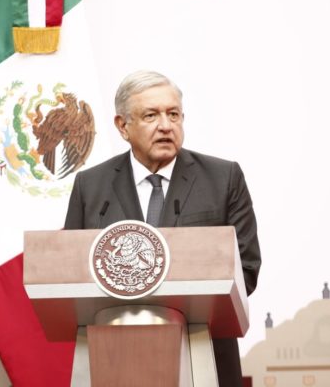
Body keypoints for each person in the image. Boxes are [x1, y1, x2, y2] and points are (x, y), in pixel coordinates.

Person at [65, 70, 262, 386]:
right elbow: (69, 274)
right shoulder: (91, 186)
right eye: (151, 115)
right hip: (114, 358)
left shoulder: (223, 179)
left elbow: (246, 270)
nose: (166, 125)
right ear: (123, 126)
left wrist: (177, 302)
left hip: (203, 357)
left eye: (173, 114)